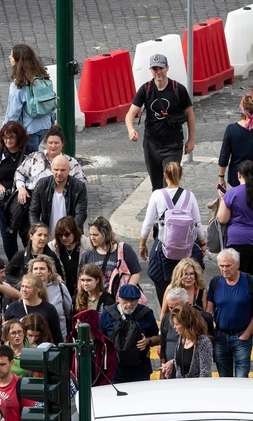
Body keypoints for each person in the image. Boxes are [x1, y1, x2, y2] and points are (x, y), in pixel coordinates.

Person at [124, 54, 196, 191]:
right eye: (155, 69)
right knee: (157, 187)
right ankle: (159, 212)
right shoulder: (146, 89)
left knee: (169, 185)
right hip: (151, 146)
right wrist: (130, 130)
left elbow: (190, 115)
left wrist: (191, 140)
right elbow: (130, 114)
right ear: (151, 70)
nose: (158, 72)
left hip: (173, 145)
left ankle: (169, 212)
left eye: (161, 68)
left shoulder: (178, 89)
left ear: (167, 68)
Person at [140, 160, 204, 294]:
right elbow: (198, 223)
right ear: (181, 176)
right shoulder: (189, 195)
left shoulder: (157, 195)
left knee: (161, 279)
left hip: (165, 247)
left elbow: (147, 223)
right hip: (187, 248)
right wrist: (203, 244)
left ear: (165, 175)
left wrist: (142, 244)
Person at [205, 249, 253, 378]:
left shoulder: (250, 281)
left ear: (237, 264)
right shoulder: (215, 282)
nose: (224, 269)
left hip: (241, 337)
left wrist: (247, 333)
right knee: (224, 378)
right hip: (220, 337)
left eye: (228, 266)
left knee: (241, 377)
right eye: (221, 266)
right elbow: (209, 311)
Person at [0, 121, 36, 259]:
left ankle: (29, 260)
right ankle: (13, 263)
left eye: (11, 137)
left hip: (24, 199)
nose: (8, 141)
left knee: (27, 232)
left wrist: (24, 188)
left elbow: (36, 174)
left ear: (19, 137)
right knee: (8, 233)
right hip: (4, 201)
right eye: (5, 138)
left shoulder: (30, 152)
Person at [99, 283, 159, 383]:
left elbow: (158, 338)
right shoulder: (107, 313)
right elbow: (99, 338)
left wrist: (148, 341)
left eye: (133, 301)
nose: (129, 304)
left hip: (140, 370)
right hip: (114, 370)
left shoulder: (146, 313)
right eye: (125, 300)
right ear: (118, 298)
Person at [3, 44, 56, 149]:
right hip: (44, 125)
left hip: (29, 129)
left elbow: (13, 112)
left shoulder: (19, 84)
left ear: (18, 60)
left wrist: (5, 129)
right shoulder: (41, 77)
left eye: (11, 55)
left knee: (28, 162)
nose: (9, 57)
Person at [29, 154, 87, 235]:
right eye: (56, 170)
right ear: (51, 169)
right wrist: (38, 231)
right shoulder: (42, 185)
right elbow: (33, 212)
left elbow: (81, 214)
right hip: (48, 238)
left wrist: (70, 231)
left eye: (63, 170)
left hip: (70, 237)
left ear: (69, 170)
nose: (59, 173)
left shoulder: (79, 186)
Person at [82, 216, 142, 295]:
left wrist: (127, 292)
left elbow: (135, 272)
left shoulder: (124, 249)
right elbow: (81, 278)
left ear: (105, 234)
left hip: (119, 299)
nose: (92, 238)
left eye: (95, 235)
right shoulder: (88, 255)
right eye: (90, 234)